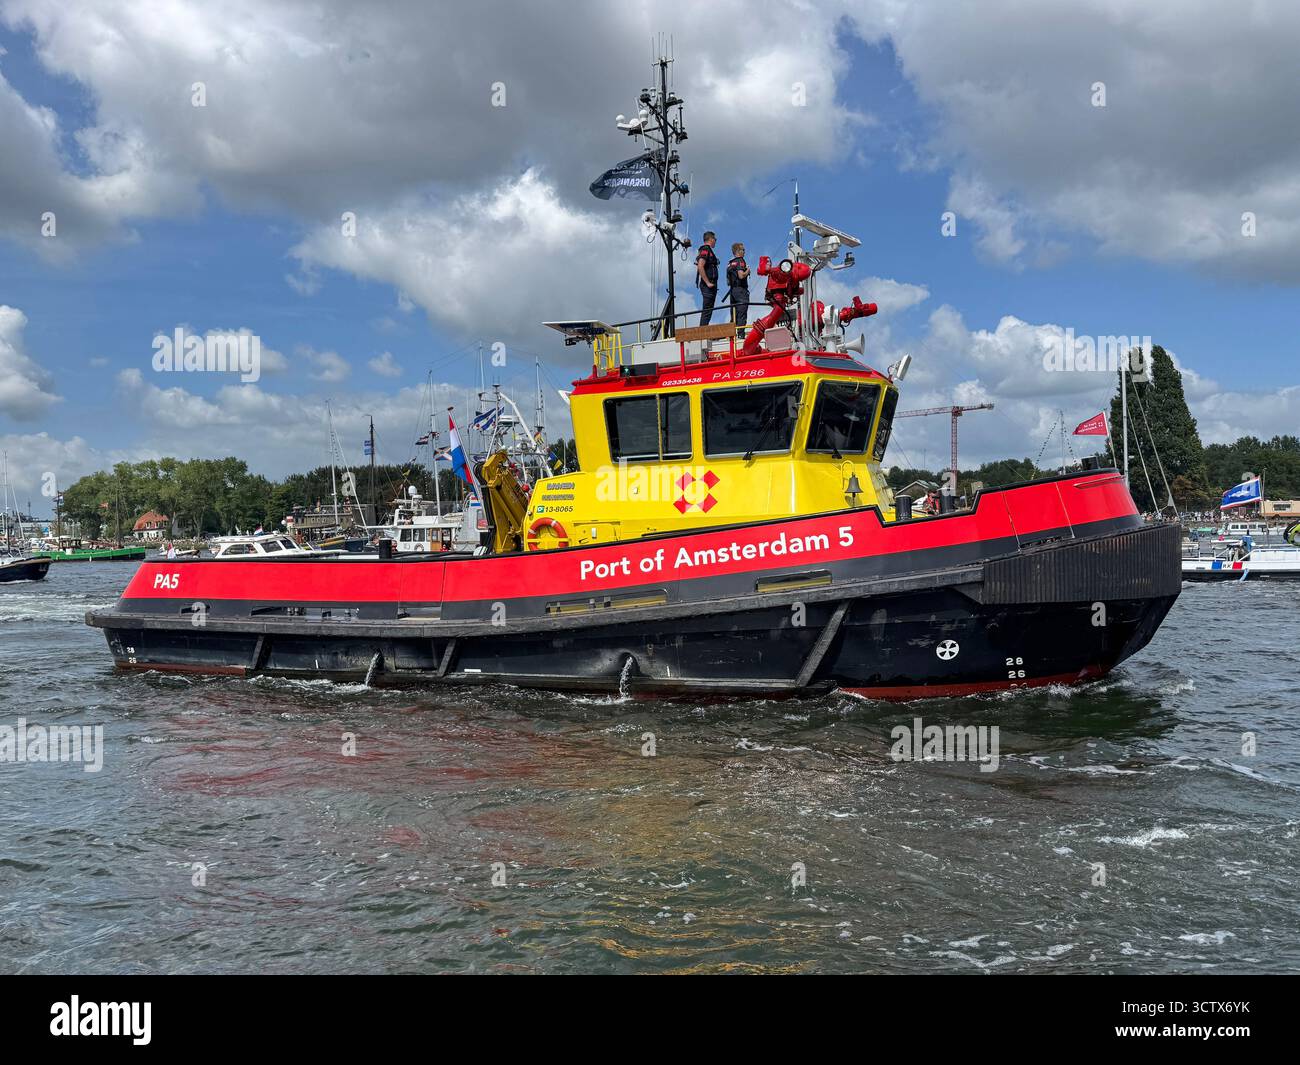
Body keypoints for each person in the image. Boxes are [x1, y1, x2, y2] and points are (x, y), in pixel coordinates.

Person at [695, 231, 719, 325]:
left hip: (711, 286)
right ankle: (702, 333)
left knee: (709, 310)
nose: (716, 241)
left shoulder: (708, 251)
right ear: (711, 239)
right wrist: (708, 282)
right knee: (707, 310)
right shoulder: (705, 249)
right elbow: (700, 266)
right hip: (708, 286)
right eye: (715, 239)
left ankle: (704, 331)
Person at [725, 242, 750, 326]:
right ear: (738, 251)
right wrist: (747, 271)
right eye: (743, 250)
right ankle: (740, 335)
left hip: (732, 291)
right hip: (741, 291)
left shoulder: (730, 264)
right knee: (741, 314)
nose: (744, 251)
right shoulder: (740, 261)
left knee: (734, 316)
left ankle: (732, 336)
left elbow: (728, 282)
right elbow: (741, 275)